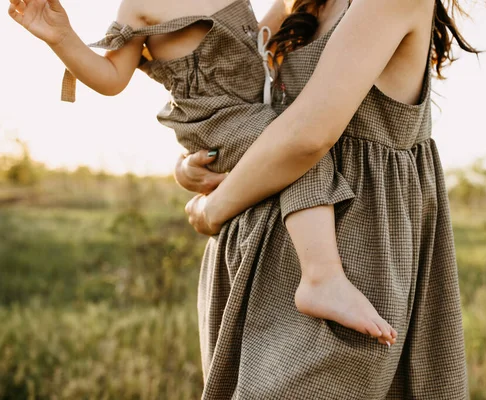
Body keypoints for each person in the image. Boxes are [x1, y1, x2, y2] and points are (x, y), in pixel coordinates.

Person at [7, 0, 397, 345]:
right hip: (212, 119)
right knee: (291, 147)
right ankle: (321, 277)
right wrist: (60, 37)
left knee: (289, 139)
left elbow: (263, 48)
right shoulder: (140, 6)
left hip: (254, 109)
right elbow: (111, 78)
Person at [178, 0, 479, 397]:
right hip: (253, 248)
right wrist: (192, 164)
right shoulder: (296, 4)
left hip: (350, 251)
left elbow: (307, 137)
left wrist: (211, 209)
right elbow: (231, 98)